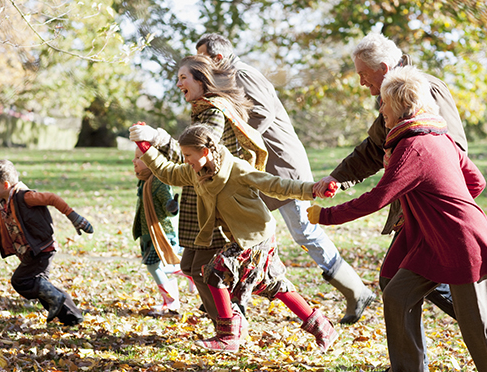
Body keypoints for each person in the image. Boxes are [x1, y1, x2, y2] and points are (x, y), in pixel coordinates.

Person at [307, 66, 487, 372]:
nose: (381, 111)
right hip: (431, 241)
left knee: (479, 325)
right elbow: (475, 182)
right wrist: (430, 207)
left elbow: (377, 198)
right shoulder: (435, 137)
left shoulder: (415, 146)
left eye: (383, 104)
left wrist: (325, 216)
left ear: (400, 105)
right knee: (398, 294)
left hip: (461, 242)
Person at [313, 32, 487, 348]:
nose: (360, 82)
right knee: (395, 281)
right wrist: (337, 179)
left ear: (383, 68)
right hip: (413, 209)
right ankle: (410, 368)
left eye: (362, 74)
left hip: (433, 210)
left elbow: (450, 151)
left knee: (408, 281)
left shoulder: (421, 89)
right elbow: (373, 149)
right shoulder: (390, 95)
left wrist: (439, 207)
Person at [196, 33, 373, 325]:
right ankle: (230, 295)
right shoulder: (229, 78)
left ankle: (356, 291)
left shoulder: (242, 74)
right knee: (247, 229)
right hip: (262, 167)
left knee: (305, 231)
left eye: (203, 58)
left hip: (281, 164)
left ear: (217, 58)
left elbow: (262, 112)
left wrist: (234, 144)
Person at [133, 123, 338, 353]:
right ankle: (322, 327)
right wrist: (145, 147)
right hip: (240, 238)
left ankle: (228, 335)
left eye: (189, 155)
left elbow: (275, 185)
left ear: (205, 152)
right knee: (274, 285)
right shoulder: (196, 172)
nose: (186, 160)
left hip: (256, 236)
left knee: (215, 272)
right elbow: (168, 173)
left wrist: (313, 189)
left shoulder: (237, 170)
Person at [129, 55, 268, 329]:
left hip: (214, 201)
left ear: (201, 81)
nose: (178, 82)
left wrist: (157, 140)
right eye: (178, 77)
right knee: (193, 268)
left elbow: (199, 154)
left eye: (184, 77)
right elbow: (189, 155)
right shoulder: (202, 110)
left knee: (248, 277)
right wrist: (154, 142)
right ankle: (225, 323)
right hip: (199, 196)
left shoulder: (214, 111)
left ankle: (230, 323)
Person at [0, 159, 91, 326]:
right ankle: (73, 318)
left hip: (41, 249)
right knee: (43, 287)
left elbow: (52, 198)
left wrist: (74, 217)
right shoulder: (3, 205)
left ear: (5, 185)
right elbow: (0, 230)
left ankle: (59, 301)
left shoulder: (25, 197)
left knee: (22, 281)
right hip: (29, 251)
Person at [132, 145, 185, 315]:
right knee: (155, 266)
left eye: (139, 158)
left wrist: (172, 207)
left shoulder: (159, 182)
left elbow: (169, 208)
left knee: (153, 266)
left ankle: (171, 301)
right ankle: (184, 271)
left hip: (161, 233)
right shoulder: (144, 180)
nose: (134, 161)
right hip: (149, 233)